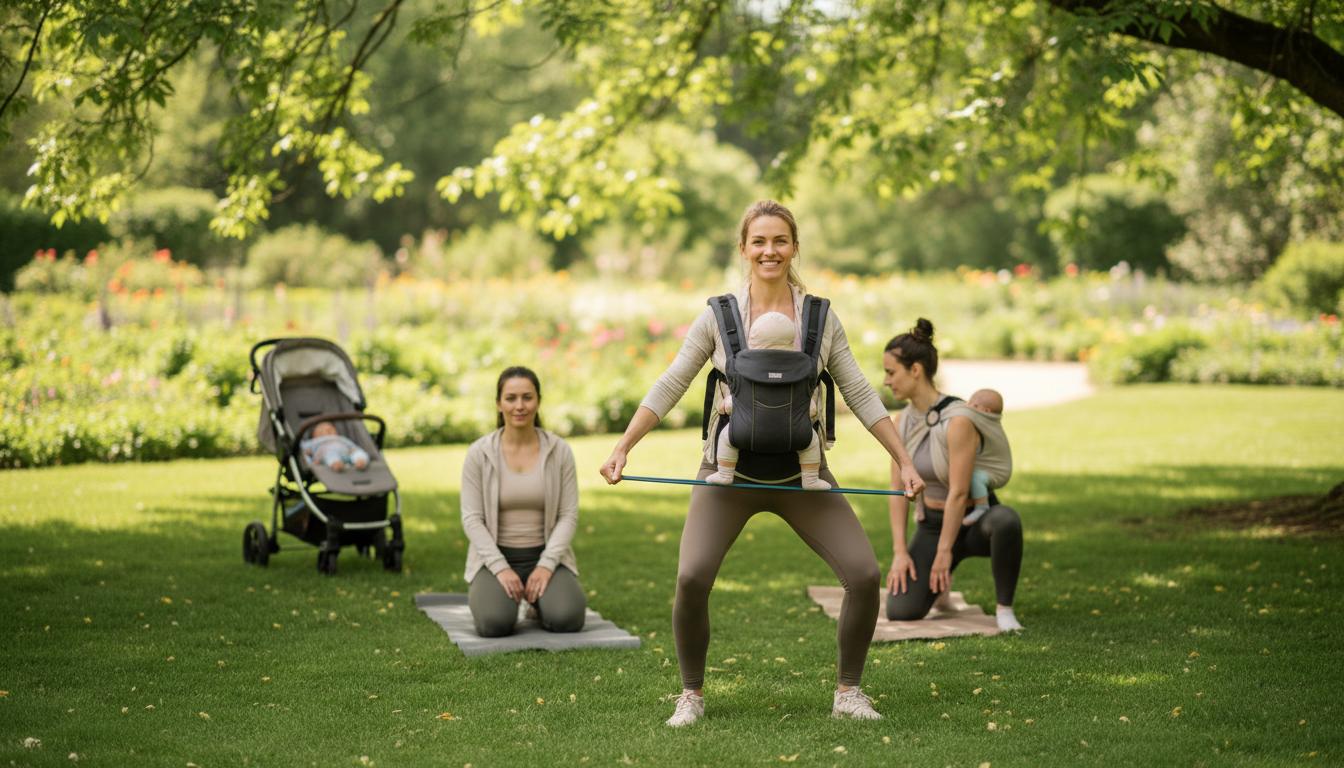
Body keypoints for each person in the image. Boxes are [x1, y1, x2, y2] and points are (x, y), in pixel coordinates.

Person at [600, 199, 925, 727]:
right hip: (728, 474)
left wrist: (905, 461)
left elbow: (861, 393)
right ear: (744, 248)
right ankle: (691, 695)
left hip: (803, 475)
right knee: (691, 577)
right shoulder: (719, 315)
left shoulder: (820, 317)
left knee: (864, 575)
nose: (769, 251)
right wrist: (623, 447)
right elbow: (672, 381)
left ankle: (848, 693)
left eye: (779, 241)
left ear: (794, 247)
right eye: (759, 241)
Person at [882, 321, 1024, 632]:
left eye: (891, 372)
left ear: (915, 370)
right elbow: (897, 491)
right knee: (901, 610)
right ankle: (941, 590)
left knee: (1006, 521)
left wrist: (944, 551)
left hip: (973, 521)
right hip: (932, 524)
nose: (886, 381)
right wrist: (900, 552)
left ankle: (1005, 610)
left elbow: (959, 492)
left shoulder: (958, 420)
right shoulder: (899, 423)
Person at [460, 366, 586, 637]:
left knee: (567, 619)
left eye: (527, 397)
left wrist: (546, 565)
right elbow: (471, 519)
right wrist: (501, 568)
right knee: (493, 624)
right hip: (494, 556)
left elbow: (568, 514)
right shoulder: (479, 453)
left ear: (538, 401)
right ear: (499, 403)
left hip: (546, 554)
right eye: (511, 398)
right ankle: (503, 597)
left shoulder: (559, 451)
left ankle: (539, 603)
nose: (519, 406)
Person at [704, 310, 830, 490]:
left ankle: (724, 474)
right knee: (812, 442)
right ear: (792, 342)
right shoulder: (803, 368)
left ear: (752, 340)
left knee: (726, 437)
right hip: (796, 434)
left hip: (744, 433)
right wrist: (809, 410)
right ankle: (810, 479)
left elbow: (732, 403)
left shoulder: (740, 366)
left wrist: (725, 405)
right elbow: (811, 409)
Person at [914, 387, 1002, 526]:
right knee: (920, 473)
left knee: (975, 477)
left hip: (977, 488)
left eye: (974, 406)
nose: (967, 407)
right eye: (968, 403)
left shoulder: (969, 424)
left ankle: (981, 506)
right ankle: (919, 506)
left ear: (986, 412)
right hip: (933, 513)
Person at [301, 421, 370, 472]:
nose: (326, 431)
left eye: (330, 429)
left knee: (359, 452)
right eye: (321, 431)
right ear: (314, 436)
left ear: (336, 431)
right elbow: (303, 447)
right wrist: (308, 453)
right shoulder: (315, 441)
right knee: (331, 454)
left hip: (347, 453)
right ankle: (336, 464)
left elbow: (351, 446)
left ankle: (360, 461)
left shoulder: (340, 438)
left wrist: (353, 449)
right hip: (326, 454)